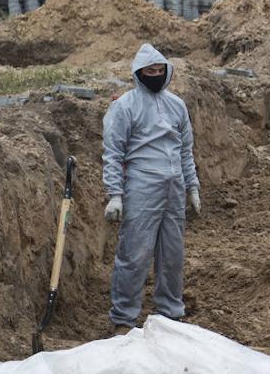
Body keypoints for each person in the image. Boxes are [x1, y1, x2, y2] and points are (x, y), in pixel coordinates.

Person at [102, 43, 200, 335]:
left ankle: (170, 313)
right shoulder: (125, 106)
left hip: (174, 185)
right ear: (139, 73)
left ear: (167, 72)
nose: (155, 75)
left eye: (160, 71)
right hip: (142, 184)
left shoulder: (177, 105)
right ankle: (123, 318)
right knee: (134, 253)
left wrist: (192, 187)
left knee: (172, 254)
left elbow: (186, 150)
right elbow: (113, 153)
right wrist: (115, 195)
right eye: (150, 71)